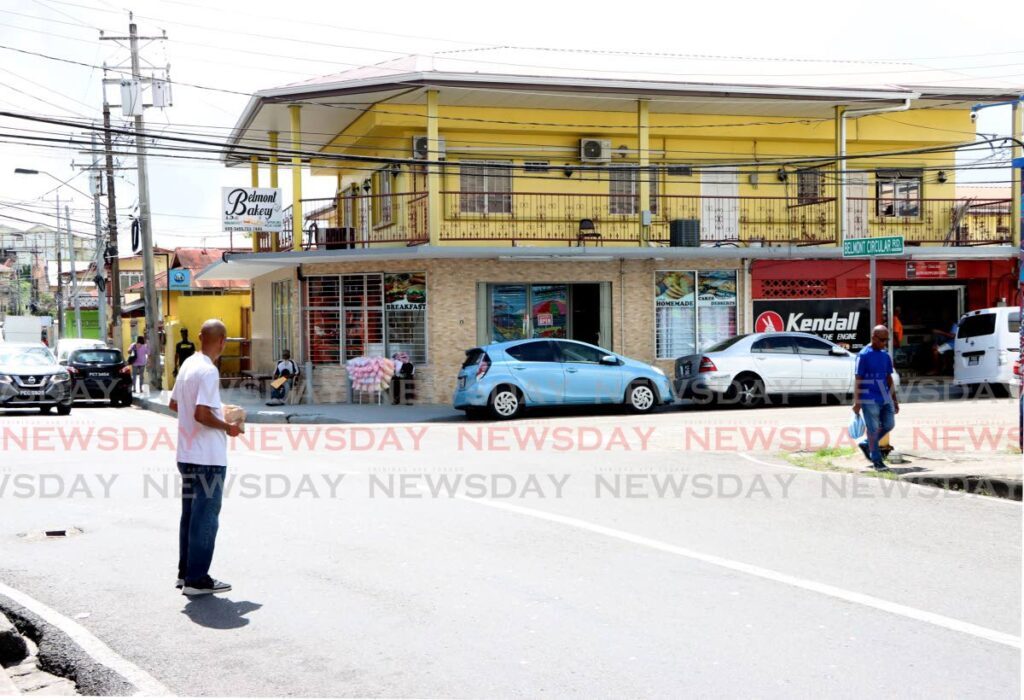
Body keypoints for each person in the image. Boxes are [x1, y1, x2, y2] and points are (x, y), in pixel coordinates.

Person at [168, 319, 242, 597]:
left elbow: (175, 404)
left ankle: (185, 574)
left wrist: (215, 411)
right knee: (206, 519)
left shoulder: (188, 364)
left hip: (186, 454)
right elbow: (201, 414)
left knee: (190, 516)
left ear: (199, 337)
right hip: (208, 457)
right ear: (222, 341)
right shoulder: (209, 371)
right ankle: (197, 579)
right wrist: (228, 426)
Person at [853, 325, 900, 471]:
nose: (884, 343)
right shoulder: (863, 355)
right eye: (882, 340)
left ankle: (867, 444)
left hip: (885, 397)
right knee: (873, 429)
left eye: (886, 340)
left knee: (889, 424)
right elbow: (858, 379)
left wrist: (894, 398)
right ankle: (877, 461)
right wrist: (857, 402)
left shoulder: (885, 355)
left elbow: (888, 378)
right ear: (873, 338)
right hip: (869, 397)